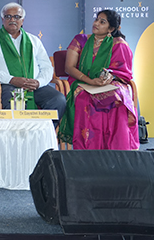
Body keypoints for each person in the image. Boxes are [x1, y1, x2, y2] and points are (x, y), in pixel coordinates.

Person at [57, 9, 138, 150]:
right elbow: (69, 68)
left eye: (102, 22)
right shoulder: (80, 40)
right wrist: (90, 81)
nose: (96, 23)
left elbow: (122, 71)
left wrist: (110, 76)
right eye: (96, 20)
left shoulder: (119, 44)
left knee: (117, 98)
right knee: (85, 99)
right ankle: (88, 148)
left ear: (111, 29)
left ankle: (116, 148)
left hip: (110, 83)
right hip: (82, 82)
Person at [0, 2, 66, 120]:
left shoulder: (34, 40)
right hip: (7, 86)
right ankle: (17, 133)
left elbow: (46, 67)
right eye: (8, 16)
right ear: (2, 19)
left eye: (17, 17)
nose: (12, 20)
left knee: (58, 100)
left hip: (34, 86)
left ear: (22, 20)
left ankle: (43, 131)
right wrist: (12, 79)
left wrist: (38, 82)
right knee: (15, 101)